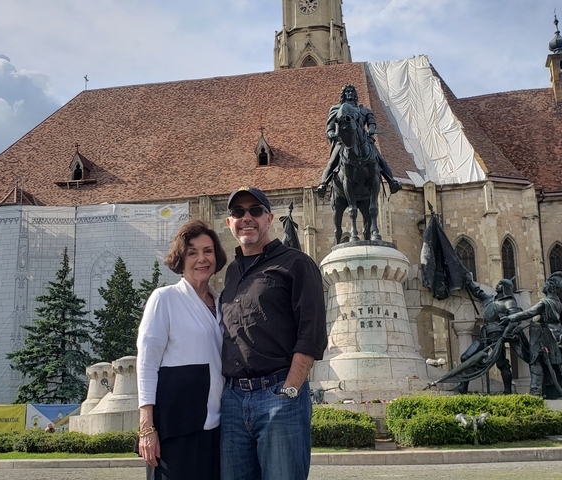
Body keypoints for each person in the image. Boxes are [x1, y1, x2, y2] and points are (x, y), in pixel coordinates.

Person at [220, 186, 328, 480]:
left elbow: (312, 332)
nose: (246, 218)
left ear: (269, 218)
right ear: (229, 222)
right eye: (238, 212)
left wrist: (291, 389)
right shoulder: (230, 273)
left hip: (279, 393)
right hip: (232, 401)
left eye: (255, 211)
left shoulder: (296, 264)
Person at [136, 219, 227, 479]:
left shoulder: (222, 303)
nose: (202, 259)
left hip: (216, 427)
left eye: (208, 251)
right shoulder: (165, 299)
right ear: (181, 258)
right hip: (176, 427)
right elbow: (147, 364)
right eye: (193, 252)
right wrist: (146, 427)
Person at [504, 272, 562, 399]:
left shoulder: (545, 302)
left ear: (551, 287)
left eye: (546, 284)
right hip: (553, 336)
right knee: (559, 365)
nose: (543, 286)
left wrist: (510, 317)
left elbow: (528, 313)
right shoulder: (559, 304)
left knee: (536, 362)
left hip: (540, 336)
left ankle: (535, 392)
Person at [316, 85, 401, 197]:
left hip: (363, 141)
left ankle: (392, 182)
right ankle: (323, 184)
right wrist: (331, 133)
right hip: (343, 142)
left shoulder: (364, 110)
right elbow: (330, 127)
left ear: (355, 94)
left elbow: (372, 123)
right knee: (332, 162)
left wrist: (371, 129)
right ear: (344, 94)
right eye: (347, 92)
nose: (350, 93)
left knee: (380, 160)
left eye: (352, 91)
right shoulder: (336, 109)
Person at [454, 273, 523, 394]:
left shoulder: (509, 302)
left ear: (505, 287)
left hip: (498, 335)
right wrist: (469, 281)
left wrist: (506, 333)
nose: (497, 285)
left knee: (501, 364)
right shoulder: (490, 299)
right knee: (466, 357)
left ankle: (508, 391)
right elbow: (478, 292)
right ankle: (463, 386)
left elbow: (514, 318)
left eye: (501, 284)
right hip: (484, 334)